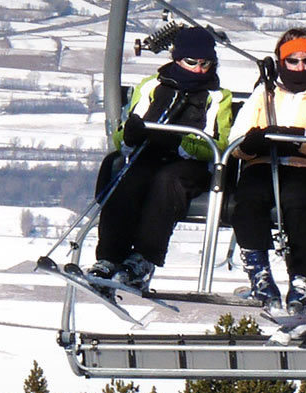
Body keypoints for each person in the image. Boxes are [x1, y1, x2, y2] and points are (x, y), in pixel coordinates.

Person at [88, 26, 233, 293]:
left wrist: (183, 143)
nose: (199, 70)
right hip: (150, 154)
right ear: (177, 59)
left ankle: (143, 259)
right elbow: (125, 133)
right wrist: (131, 136)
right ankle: (109, 258)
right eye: (192, 63)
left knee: (167, 183)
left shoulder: (217, 98)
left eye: (206, 64)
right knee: (129, 179)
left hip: (192, 165)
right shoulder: (152, 86)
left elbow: (220, 144)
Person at [225, 27, 306, 311]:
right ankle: (258, 271)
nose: (300, 67)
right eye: (292, 61)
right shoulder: (264, 93)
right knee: (249, 197)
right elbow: (235, 139)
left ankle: (301, 277)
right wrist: (251, 145)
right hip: (264, 162)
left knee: (296, 201)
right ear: (281, 61)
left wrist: (298, 139)